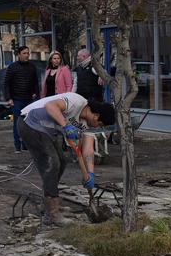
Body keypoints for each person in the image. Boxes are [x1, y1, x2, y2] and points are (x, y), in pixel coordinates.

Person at [19, 92, 116, 224]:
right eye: (100, 124)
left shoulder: (87, 124)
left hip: (48, 130)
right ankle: (52, 214)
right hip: (30, 123)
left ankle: (49, 205)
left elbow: (88, 150)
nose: (99, 127)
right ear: (96, 115)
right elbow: (50, 106)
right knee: (52, 162)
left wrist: (90, 173)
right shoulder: (76, 101)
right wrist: (66, 125)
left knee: (63, 160)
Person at [2, 46, 40, 152]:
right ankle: (17, 146)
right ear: (18, 54)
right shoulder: (13, 67)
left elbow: (35, 82)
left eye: (28, 53)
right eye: (24, 53)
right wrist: (8, 98)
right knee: (17, 124)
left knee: (28, 124)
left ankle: (26, 145)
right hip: (17, 99)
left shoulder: (32, 67)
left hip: (29, 100)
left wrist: (36, 94)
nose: (27, 55)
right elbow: (6, 84)